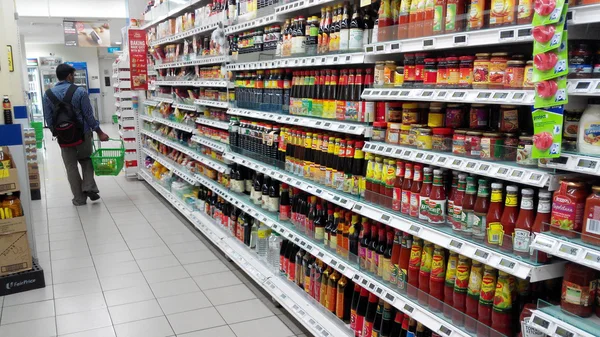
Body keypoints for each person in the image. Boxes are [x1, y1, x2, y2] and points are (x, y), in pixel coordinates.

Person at [43, 63, 109, 206]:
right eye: (73, 75)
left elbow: (48, 118)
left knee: (70, 166)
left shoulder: (47, 95)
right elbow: (89, 116)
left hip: (63, 137)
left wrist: (58, 132)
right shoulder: (80, 92)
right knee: (86, 160)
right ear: (69, 76)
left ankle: (79, 199)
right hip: (82, 134)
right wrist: (99, 132)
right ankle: (89, 187)